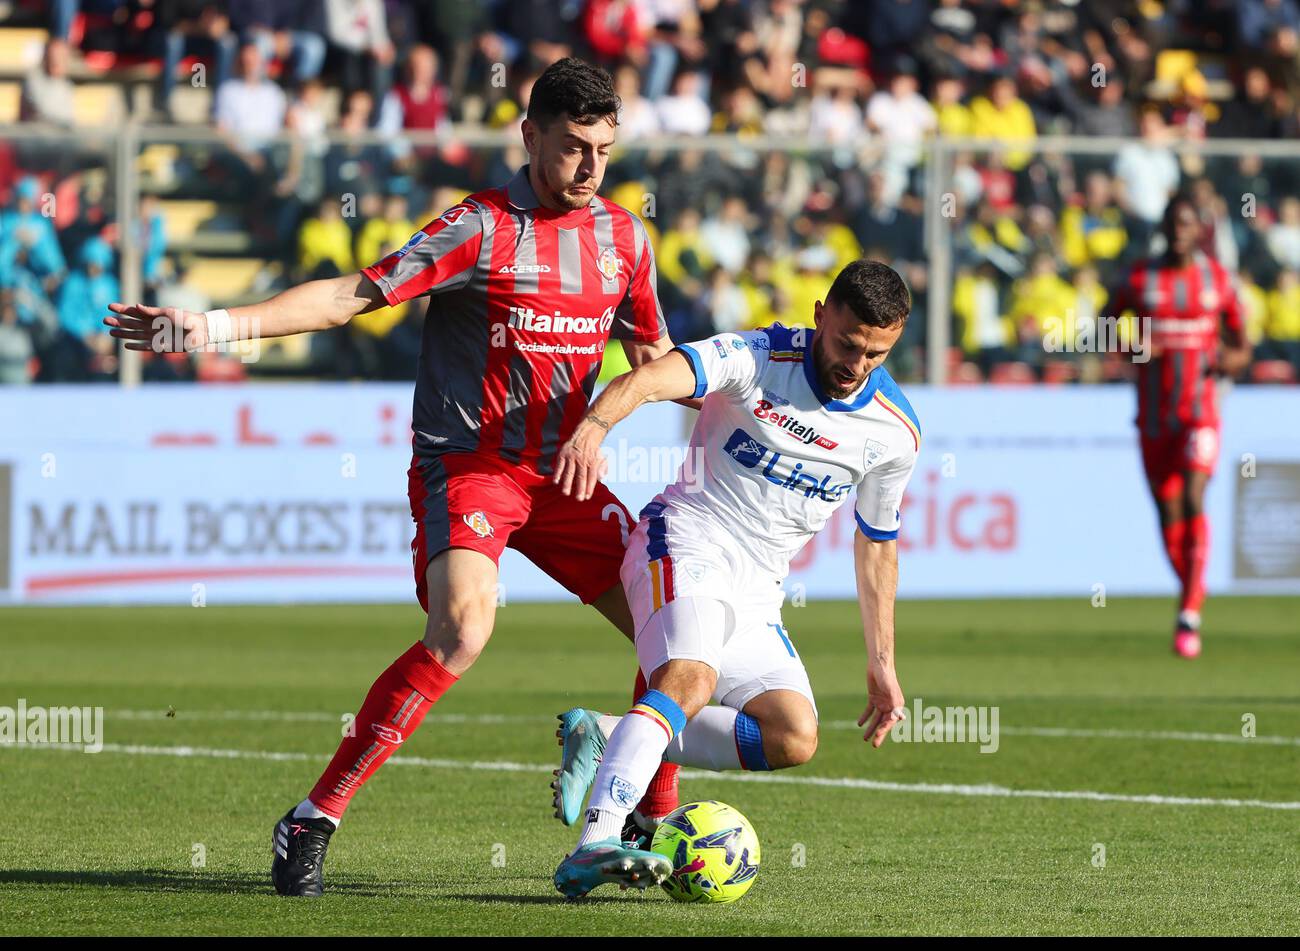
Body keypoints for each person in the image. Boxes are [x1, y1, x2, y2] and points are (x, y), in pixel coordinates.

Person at [103, 58, 688, 897]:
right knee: (462, 631)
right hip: (471, 467)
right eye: (573, 148)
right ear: (529, 137)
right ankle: (315, 814)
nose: (592, 168)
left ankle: (648, 812)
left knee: (670, 633)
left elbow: (654, 360)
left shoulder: (627, 239)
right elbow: (351, 295)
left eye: (605, 149)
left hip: (562, 475)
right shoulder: (479, 228)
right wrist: (209, 327)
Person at [547, 260, 920, 897]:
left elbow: (877, 546)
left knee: (793, 736)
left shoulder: (894, 430)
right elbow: (651, 378)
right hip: (686, 538)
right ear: (821, 313)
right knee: (691, 679)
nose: (857, 365)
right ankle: (596, 839)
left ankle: (607, 733)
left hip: (756, 592)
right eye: (848, 344)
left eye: (876, 354)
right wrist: (595, 425)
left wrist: (882, 662)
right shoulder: (756, 355)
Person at [1100, 193, 1251, 659]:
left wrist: (1231, 360)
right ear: (1166, 228)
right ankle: (1190, 592)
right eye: (1176, 223)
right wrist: (1136, 352)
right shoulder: (1140, 277)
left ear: (1200, 229)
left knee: (1193, 497)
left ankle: (1189, 610)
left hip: (1201, 410)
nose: (1183, 231)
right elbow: (1105, 328)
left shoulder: (1217, 279)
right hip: (1153, 415)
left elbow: (1241, 344)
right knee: (1168, 515)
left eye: (1190, 223)